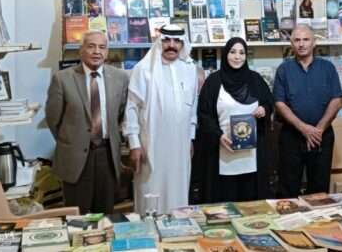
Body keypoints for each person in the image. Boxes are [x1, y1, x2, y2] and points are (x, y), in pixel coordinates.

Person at [45, 30, 129, 214]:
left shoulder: (121, 78)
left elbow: (120, 114)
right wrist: (72, 140)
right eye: (91, 46)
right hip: (75, 158)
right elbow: (53, 120)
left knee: (105, 215)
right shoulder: (62, 79)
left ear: (107, 52)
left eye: (102, 47)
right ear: (81, 50)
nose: (97, 51)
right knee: (77, 216)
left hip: (107, 155)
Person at [124, 24, 199, 214]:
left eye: (177, 41)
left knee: (178, 189)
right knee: (150, 190)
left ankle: (177, 228)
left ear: (183, 44)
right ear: (159, 42)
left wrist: (190, 137)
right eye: (166, 40)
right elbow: (131, 108)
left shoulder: (190, 69)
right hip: (151, 144)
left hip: (180, 145)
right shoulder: (143, 69)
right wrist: (134, 144)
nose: (171, 45)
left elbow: (192, 107)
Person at [191, 38, 274, 204]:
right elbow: (204, 114)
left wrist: (264, 109)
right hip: (222, 149)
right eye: (233, 52)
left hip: (251, 154)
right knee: (224, 203)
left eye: (242, 53)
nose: (237, 57)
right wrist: (218, 135)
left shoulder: (256, 79)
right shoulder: (213, 81)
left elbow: (268, 102)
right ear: (225, 54)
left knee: (251, 203)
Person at [273, 25, 342, 197]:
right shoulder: (284, 69)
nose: (301, 44)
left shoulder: (327, 68)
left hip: (321, 136)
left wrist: (318, 129)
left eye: (306, 39)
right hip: (292, 136)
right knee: (288, 189)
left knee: (319, 189)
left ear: (314, 42)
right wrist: (304, 128)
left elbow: (336, 100)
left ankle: (318, 216)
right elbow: (280, 104)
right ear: (291, 44)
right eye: (297, 40)